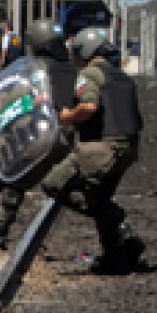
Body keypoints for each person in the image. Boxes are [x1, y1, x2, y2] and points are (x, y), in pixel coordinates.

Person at [46, 27, 146, 274]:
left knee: (53, 184)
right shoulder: (121, 77)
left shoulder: (90, 73)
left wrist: (66, 116)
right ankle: (116, 256)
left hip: (101, 146)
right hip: (127, 147)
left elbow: (89, 105)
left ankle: (116, 218)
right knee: (99, 196)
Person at [0, 20, 79, 246]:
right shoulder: (76, 67)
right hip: (74, 135)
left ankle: (1, 227)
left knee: (18, 178)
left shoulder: (34, 70)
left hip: (45, 131)